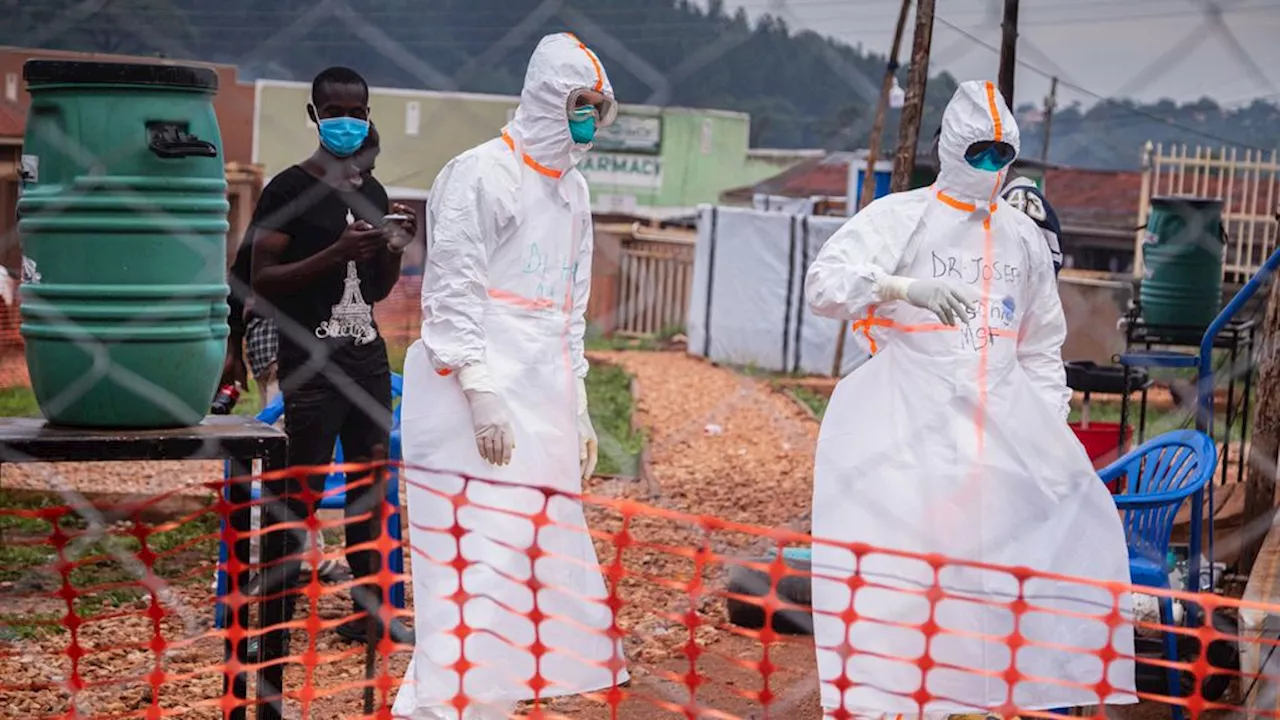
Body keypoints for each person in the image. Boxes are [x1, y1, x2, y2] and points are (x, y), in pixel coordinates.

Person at [804, 80, 1135, 718]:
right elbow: (826, 284)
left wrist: (1048, 429)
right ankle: (895, 700)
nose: (989, 168)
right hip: (905, 428)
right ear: (952, 148)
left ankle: (985, 699)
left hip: (1001, 429)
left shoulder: (1023, 239)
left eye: (1000, 155)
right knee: (903, 573)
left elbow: (1040, 345)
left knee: (1003, 568)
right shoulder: (900, 218)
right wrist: (901, 286)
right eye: (978, 152)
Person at [392, 33, 628, 719]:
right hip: (471, 396)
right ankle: (442, 705)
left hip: (544, 396)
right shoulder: (479, 173)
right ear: (548, 99)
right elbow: (453, 293)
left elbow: (569, 312)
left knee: (527, 559)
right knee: (472, 556)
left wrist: (577, 403)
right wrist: (479, 387)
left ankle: (483, 700)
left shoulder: (573, 193)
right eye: (579, 104)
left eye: (597, 108)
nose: (588, 119)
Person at [250, 66, 415, 646]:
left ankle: (368, 617)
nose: (349, 120)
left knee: (372, 492)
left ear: (369, 115)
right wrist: (336, 250)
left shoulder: (370, 190)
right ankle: (274, 625)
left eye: (358, 111)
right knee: (301, 493)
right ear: (314, 115)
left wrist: (393, 250)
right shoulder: (288, 191)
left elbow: (370, 292)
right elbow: (261, 279)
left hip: (366, 358)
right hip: (311, 362)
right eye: (336, 110)